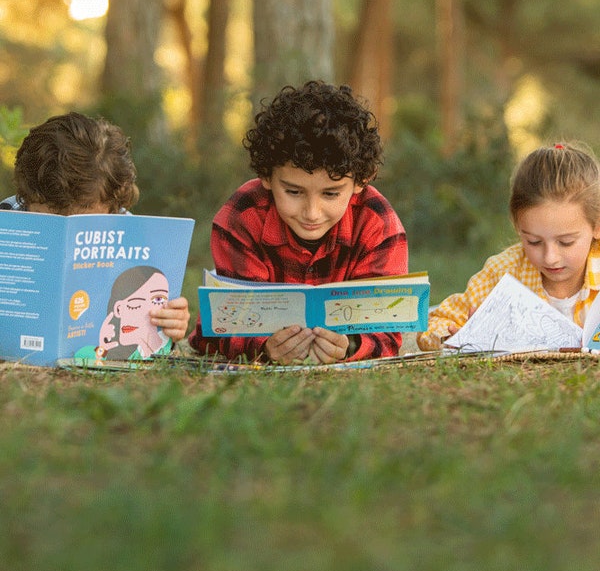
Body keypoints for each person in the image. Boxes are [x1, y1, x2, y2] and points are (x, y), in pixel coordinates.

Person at [188, 80, 408, 364]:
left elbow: (388, 330)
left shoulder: (377, 222)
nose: (312, 213)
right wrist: (264, 347)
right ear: (266, 176)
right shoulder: (242, 216)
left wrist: (350, 346)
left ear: (360, 181)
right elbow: (223, 326)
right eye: (293, 192)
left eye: (331, 193)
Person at [1, 112, 189, 344]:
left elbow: (151, 312)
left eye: (89, 225)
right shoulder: (6, 223)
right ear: (26, 196)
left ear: (114, 206)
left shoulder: (133, 239)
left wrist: (169, 321)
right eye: (49, 220)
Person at [417, 142, 600, 351]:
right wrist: (459, 337)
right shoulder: (503, 272)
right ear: (518, 227)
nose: (550, 257)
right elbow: (433, 324)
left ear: (597, 226)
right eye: (534, 241)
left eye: (566, 242)